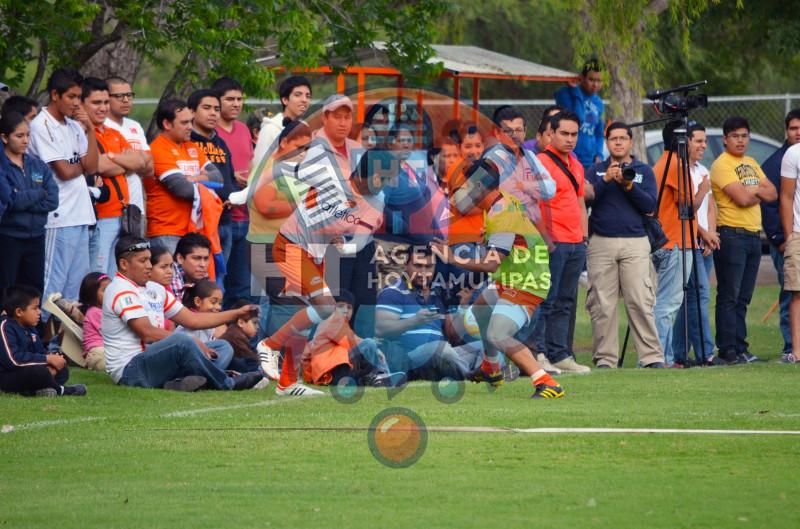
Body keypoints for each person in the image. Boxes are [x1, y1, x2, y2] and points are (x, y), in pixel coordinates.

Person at [432, 159, 564, 398]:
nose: (464, 190)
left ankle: (546, 382)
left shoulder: (502, 215)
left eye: (467, 185)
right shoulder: (499, 201)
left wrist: (454, 259)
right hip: (512, 277)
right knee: (482, 310)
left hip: (526, 282)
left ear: (480, 186)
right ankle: (491, 367)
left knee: (498, 334)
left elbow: (491, 263)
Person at [102, 235, 264, 391]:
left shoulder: (155, 288)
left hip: (156, 361)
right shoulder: (120, 289)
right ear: (124, 264)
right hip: (131, 370)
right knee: (182, 339)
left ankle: (183, 381)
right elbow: (147, 333)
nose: (149, 266)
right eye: (142, 261)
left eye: (149, 260)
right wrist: (191, 342)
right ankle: (227, 382)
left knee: (223, 346)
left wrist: (236, 313)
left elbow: (192, 320)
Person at [585, 122, 662, 368]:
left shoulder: (643, 170)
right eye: (613, 139)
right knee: (602, 304)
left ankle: (651, 358)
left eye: (622, 138)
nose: (618, 142)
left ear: (630, 141)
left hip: (636, 242)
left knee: (640, 301)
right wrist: (606, 180)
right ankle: (605, 359)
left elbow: (650, 206)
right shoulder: (595, 170)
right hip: (601, 243)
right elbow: (588, 198)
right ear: (606, 142)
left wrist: (628, 185)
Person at [27, 67, 98, 320]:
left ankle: (63, 347)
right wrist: (79, 165)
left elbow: (92, 166)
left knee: (75, 288)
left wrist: (90, 130)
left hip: (80, 213)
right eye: (71, 97)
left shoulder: (75, 125)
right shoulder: (41, 125)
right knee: (52, 286)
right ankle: (40, 341)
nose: (76, 103)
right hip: (58, 215)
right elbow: (64, 172)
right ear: (55, 95)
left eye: (79, 97)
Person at [711, 116, 777, 364]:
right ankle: (727, 350)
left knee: (744, 297)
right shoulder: (722, 164)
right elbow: (741, 199)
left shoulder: (750, 162)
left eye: (744, 136)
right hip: (732, 235)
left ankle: (741, 348)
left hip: (752, 236)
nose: (740, 140)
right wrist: (755, 191)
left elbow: (772, 192)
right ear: (726, 139)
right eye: (735, 136)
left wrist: (754, 191)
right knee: (729, 295)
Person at [534, 111, 591, 373]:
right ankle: (539, 353)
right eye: (564, 134)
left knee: (566, 301)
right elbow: (533, 204)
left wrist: (583, 238)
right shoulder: (540, 162)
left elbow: (580, 203)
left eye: (574, 134)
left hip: (574, 242)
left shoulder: (576, 166)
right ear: (551, 134)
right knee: (546, 299)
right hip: (552, 241)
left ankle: (560, 354)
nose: (569, 139)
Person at [651, 121, 709, 367]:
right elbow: (687, 207)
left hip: (672, 241)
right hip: (675, 242)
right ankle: (659, 357)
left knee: (669, 301)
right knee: (668, 302)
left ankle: (661, 355)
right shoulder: (676, 164)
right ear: (680, 141)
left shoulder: (664, 162)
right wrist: (704, 189)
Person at [375, 245, 472, 381]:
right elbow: (381, 329)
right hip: (408, 360)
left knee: (489, 348)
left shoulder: (440, 293)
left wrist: (462, 307)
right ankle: (470, 379)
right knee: (440, 348)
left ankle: (474, 374)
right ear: (405, 265)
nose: (423, 272)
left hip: (443, 355)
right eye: (418, 266)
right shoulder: (392, 292)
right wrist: (414, 320)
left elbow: (453, 336)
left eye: (429, 267)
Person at [83, 77, 150, 275]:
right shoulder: (84, 131)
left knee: (118, 274)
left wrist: (111, 158)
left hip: (123, 214)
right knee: (99, 274)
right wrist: (123, 160)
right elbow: (97, 165)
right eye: (97, 103)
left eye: (105, 102)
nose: (103, 108)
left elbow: (140, 162)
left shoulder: (113, 132)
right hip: (101, 216)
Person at [145, 98, 223, 253]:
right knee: (171, 277)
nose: (190, 127)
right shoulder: (157, 149)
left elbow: (219, 179)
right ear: (167, 124)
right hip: (167, 231)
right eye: (184, 123)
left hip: (193, 231)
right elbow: (183, 190)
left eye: (191, 121)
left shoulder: (191, 146)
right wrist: (204, 180)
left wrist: (195, 179)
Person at [671, 122, 719, 366]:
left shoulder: (702, 170)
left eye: (704, 140)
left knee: (692, 299)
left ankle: (679, 355)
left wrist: (711, 232)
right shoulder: (679, 171)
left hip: (703, 241)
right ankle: (705, 354)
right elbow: (683, 210)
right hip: (687, 240)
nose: (703, 145)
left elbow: (710, 206)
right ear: (685, 142)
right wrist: (700, 232)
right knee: (697, 296)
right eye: (698, 140)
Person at [0, 112, 59, 292]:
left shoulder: (38, 165)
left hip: (37, 236)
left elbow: (52, 200)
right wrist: (40, 193)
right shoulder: (2, 166)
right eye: (19, 136)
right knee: (7, 288)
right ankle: (6, 321)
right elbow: (10, 201)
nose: (25, 140)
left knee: (34, 289)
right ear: (4, 137)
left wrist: (24, 196)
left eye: (27, 135)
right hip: (9, 237)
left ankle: (33, 321)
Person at [211, 77, 255, 308]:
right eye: (230, 99)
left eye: (239, 99)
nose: (236, 104)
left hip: (246, 216)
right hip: (221, 217)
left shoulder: (244, 129)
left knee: (243, 287)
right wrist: (231, 177)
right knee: (218, 284)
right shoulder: (211, 132)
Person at [761, 109, 800, 358]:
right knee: (791, 295)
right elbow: (775, 202)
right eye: (794, 128)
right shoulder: (780, 160)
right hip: (786, 238)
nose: (798, 133)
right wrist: (783, 239)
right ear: (786, 131)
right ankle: (792, 347)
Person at [0, 284, 86, 397]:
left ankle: (35, 391)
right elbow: (14, 360)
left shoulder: (30, 328)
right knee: (39, 372)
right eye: (35, 308)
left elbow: (39, 352)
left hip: (27, 372)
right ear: (19, 312)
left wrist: (52, 361)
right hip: (6, 375)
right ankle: (62, 390)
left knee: (62, 369)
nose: (39, 312)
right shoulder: (5, 326)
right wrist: (47, 359)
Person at [303, 290, 401, 387]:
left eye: (349, 307)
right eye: (340, 306)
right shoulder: (331, 320)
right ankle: (383, 376)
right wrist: (376, 350)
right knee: (369, 344)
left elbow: (306, 354)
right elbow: (351, 342)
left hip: (336, 373)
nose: (345, 310)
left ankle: (378, 377)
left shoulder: (333, 325)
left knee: (368, 349)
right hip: (332, 373)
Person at [188, 88, 236, 283]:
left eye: (216, 109)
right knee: (202, 282)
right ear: (191, 111)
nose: (213, 113)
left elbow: (229, 177)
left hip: (225, 220)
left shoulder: (221, 143)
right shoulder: (188, 141)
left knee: (220, 281)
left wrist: (232, 196)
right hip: (202, 223)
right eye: (207, 108)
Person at [104, 76, 154, 218]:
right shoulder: (102, 126)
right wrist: (137, 159)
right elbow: (104, 167)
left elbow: (150, 168)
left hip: (137, 207)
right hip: (113, 207)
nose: (126, 100)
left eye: (129, 95)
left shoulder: (135, 126)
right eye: (119, 96)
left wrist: (124, 159)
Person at [554, 59, 604, 169]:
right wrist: (575, 91)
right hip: (568, 158)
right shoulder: (565, 94)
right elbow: (577, 118)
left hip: (590, 162)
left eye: (599, 80)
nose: (595, 84)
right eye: (591, 79)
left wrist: (599, 154)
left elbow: (599, 133)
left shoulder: (599, 103)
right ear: (582, 77)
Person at [252, 75, 311, 167]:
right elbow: (259, 168)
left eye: (308, 96)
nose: (304, 100)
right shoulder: (270, 130)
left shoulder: (306, 128)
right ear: (285, 100)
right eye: (298, 95)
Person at [176, 279, 227, 344]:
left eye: (220, 303)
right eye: (213, 302)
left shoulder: (210, 324)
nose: (218, 307)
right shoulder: (188, 327)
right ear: (198, 301)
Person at [79, 271, 110, 372]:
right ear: (92, 295)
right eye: (105, 290)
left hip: (108, 350)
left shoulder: (108, 310)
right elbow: (110, 333)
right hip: (97, 352)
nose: (110, 293)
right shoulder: (95, 312)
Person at [219, 299, 261, 374]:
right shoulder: (236, 336)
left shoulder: (235, 333)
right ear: (241, 322)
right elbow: (251, 362)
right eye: (254, 323)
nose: (257, 327)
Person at [171, 232, 212, 300]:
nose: (203, 265)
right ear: (180, 258)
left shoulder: (202, 274)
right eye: (196, 258)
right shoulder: (171, 274)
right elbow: (182, 309)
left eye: (206, 258)